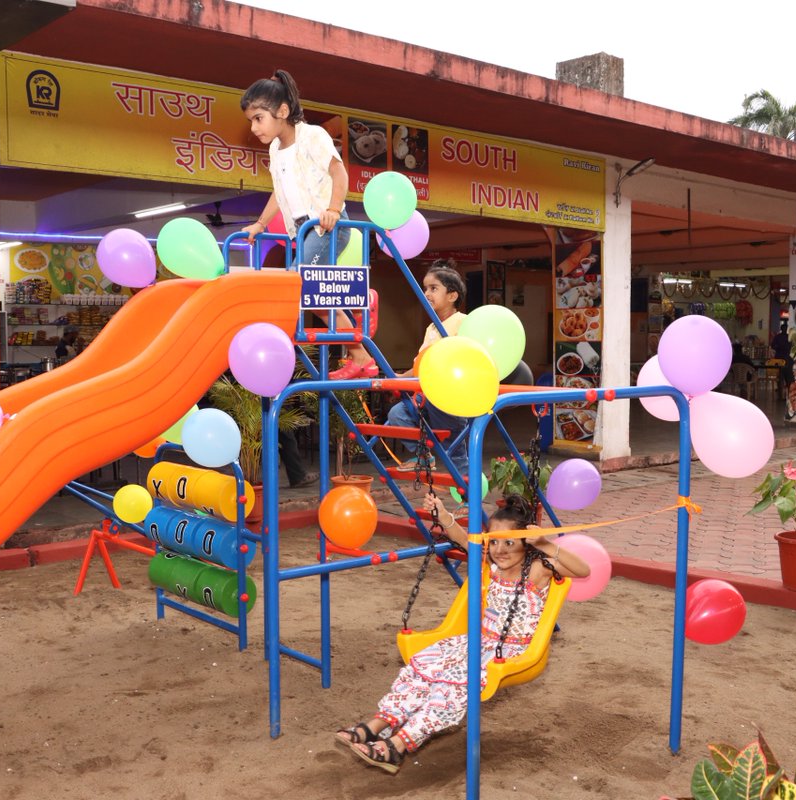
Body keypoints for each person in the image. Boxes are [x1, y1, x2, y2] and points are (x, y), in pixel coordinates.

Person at [333, 493, 589, 774]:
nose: (500, 550)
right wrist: (443, 514)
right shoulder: (490, 564)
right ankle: (379, 725)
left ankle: (399, 744)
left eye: (510, 542)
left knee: (450, 687)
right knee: (421, 665)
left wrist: (546, 544)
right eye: (494, 541)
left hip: (511, 652)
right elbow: (464, 538)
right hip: (477, 642)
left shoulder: (537, 569)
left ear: (526, 544)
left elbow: (583, 569)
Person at [238, 69, 377, 380]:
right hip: (304, 233)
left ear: (283, 112)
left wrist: (332, 210)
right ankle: (361, 351)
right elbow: (280, 190)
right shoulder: (275, 149)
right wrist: (260, 224)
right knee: (310, 293)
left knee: (296, 285)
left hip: (327, 226)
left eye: (258, 118)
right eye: (251, 119)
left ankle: (361, 347)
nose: (253, 126)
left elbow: (339, 173)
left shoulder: (312, 136)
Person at [386, 259, 469, 472]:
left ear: (452, 296)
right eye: (425, 288)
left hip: (449, 397)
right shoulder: (432, 327)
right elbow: (423, 362)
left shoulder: (462, 322)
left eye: (434, 288)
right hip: (428, 395)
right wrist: (401, 378)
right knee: (398, 414)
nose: (427, 293)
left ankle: (467, 497)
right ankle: (423, 456)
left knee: (455, 451)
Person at [770, 321, 792, 398]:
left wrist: (778, 347)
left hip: (779, 358)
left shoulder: (777, 337)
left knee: (780, 376)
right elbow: (791, 347)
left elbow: (772, 346)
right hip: (786, 358)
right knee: (787, 376)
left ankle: (780, 392)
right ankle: (787, 392)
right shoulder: (788, 337)